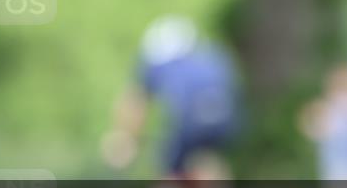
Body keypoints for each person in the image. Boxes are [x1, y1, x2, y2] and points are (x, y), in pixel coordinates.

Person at [102, 15, 243, 178]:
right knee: (210, 161)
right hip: (226, 118)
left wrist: (126, 139)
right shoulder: (211, 54)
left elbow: (136, 103)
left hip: (190, 122)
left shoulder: (158, 62)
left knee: (170, 172)